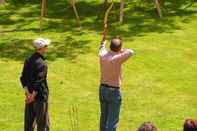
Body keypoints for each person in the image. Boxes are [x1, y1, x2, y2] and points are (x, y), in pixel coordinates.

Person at [99, 35, 134, 131]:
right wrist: (121, 50)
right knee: (112, 121)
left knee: (104, 118)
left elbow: (101, 48)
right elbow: (131, 52)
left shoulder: (102, 55)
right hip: (114, 92)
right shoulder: (118, 58)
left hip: (102, 90)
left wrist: (103, 42)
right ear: (119, 48)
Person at [20, 38, 50, 131]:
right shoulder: (43, 64)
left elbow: (22, 78)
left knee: (29, 125)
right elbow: (39, 82)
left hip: (29, 97)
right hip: (40, 98)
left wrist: (28, 94)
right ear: (41, 48)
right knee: (42, 125)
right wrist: (33, 96)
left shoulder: (28, 60)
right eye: (46, 46)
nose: (47, 48)